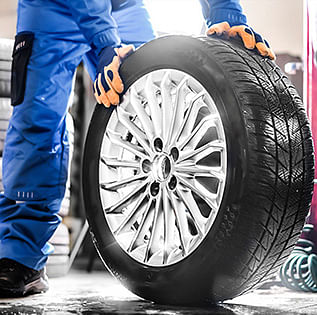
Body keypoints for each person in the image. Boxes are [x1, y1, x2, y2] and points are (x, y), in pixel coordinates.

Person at [0, 0, 274, 297]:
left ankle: (170, 242)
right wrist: (104, 42)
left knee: (155, 103)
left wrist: (226, 15)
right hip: (50, 8)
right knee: (36, 121)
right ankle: (21, 255)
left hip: (123, 6)